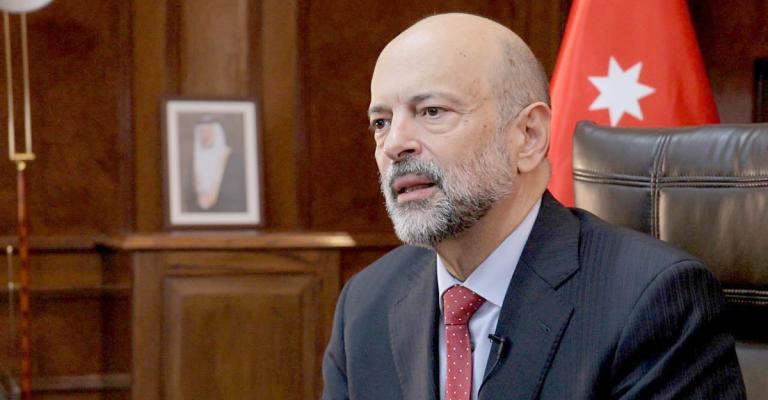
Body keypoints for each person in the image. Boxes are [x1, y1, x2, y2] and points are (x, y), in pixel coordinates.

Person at [321, 13, 745, 400]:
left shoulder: (651, 302)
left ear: (528, 136)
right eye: (381, 122)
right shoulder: (366, 303)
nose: (394, 144)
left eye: (432, 111)